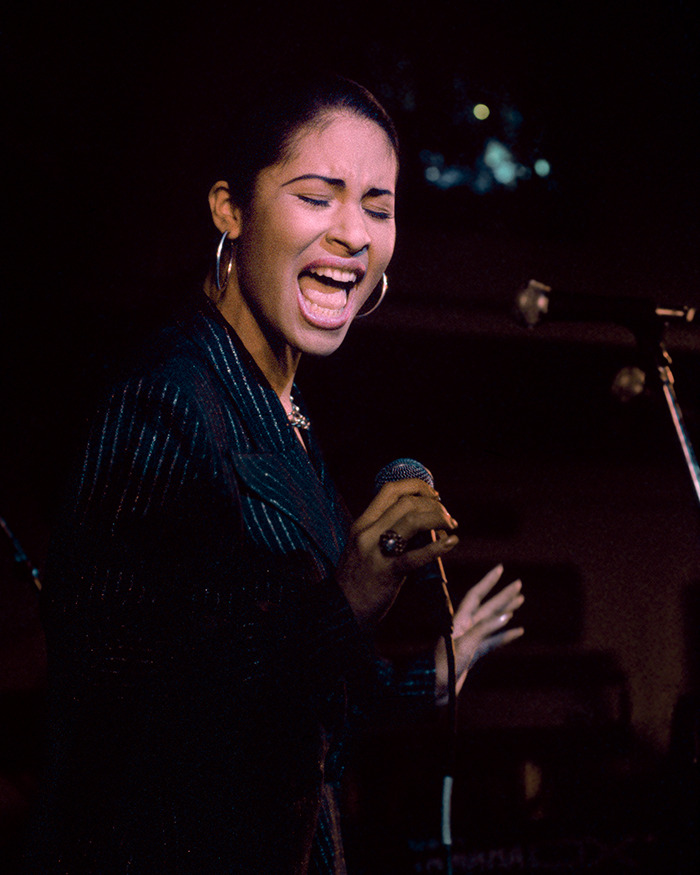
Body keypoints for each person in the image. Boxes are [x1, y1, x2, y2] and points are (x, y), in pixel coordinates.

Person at [25, 71, 524, 873]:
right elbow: (119, 711)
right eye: (318, 195)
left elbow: (305, 698)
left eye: (378, 205)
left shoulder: (284, 414)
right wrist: (352, 597)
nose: (353, 233)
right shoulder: (166, 399)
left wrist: (433, 673)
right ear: (231, 208)